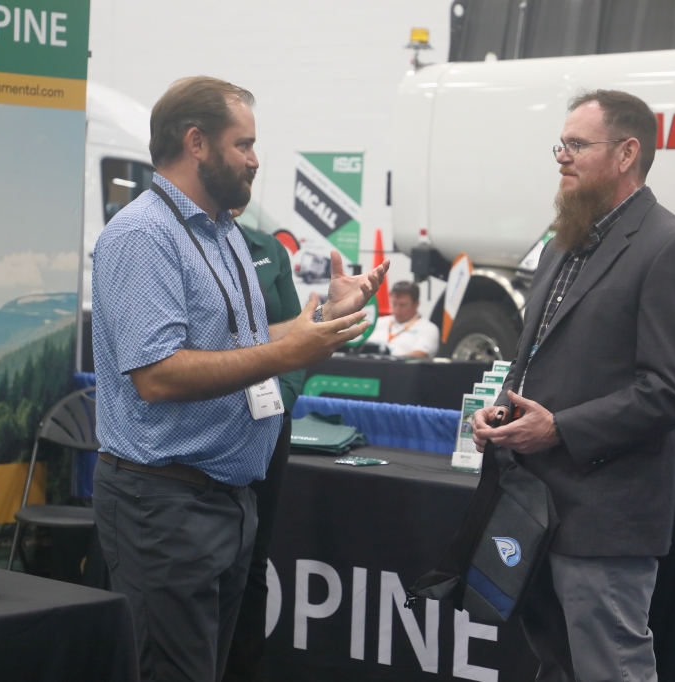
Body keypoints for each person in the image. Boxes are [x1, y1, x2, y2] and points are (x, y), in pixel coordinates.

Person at [91, 76, 389, 682]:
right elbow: (157, 375)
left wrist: (324, 320)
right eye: (244, 144)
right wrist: (288, 354)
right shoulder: (143, 236)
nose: (255, 160)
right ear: (196, 142)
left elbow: (244, 342)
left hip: (226, 499)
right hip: (165, 504)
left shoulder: (223, 231)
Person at [472, 89, 675, 682]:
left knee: (611, 668)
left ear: (627, 153)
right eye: (561, 145)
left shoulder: (672, 246)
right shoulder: (564, 242)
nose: (562, 156)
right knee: (556, 664)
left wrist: (560, 429)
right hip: (535, 508)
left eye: (578, 145)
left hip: (605, 516)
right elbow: (534, 356)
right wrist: (500, 412)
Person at [224, 207, 303, 682]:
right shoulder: (185, 241)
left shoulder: (269, 249)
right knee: (214, 556)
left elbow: (299, 332)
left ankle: (246, 670)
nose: (249, 171)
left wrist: (280, 400)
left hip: (270, 420)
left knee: (254, 560)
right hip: (213, 420)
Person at [368, 281, 440, 357]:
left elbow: (420, 355)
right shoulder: (378, 322)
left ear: (416, 304)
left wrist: (388, 359)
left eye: (402, 305)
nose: (397, 310)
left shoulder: (428, 329)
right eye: (394, 304)